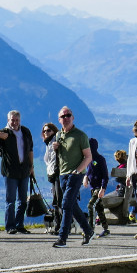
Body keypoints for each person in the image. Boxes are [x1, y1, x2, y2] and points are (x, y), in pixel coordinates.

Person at [0, 110, 34, 234]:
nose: (15, 122)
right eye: (12, 120)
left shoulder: (26, 131)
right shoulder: (4, 132)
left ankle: (19, 225)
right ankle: (10, 226)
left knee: (23, 200)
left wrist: (32, 167)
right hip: (10, 172)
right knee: (10, 201)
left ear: (20, 120)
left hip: (24, 171)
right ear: (8, 120)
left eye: (17, 120)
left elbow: (30, 150)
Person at [51, 106, 93, 248]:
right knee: (72, 205)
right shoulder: (58, 135)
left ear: (73, 117)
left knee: (66, 204)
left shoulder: (81, 136)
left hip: (76, 175)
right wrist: (55, 148)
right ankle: (88, 231)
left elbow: (88, 157)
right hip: (63, 175)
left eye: (68, 115)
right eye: (63, 116)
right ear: (59, 120)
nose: (66, 118)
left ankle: (62, 238)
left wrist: (78, 171)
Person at [83, 138, 110, 237]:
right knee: (99, 208)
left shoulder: (100, 159)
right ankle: (106, 229)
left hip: (99, 187)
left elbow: (105, 176)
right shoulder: (88, 159)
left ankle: (90, 230)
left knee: (91, 205)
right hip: (93, 187)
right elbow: (89, 171)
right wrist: (86, 177)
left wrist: (103, 189)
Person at [41, 122, 61, 234]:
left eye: (48, 130)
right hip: (52, 175)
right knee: (56, 201)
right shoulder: (48, 144)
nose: (46, 132)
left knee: (59, 201)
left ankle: (61, 226)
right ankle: (58, 225)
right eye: (44, 131)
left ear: (54, 131)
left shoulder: (55, 142)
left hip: (57, 174)